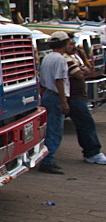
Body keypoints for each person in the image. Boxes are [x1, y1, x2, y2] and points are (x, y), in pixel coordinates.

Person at [64, 37, 106, 164]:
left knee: (84, 124)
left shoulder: (74, 57)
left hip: (78, 96)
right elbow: (79, 74)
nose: (74, 46)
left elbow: (87, 70)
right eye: (70, 44)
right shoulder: (65, 58)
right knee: (86, 124)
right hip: (74, 97)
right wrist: (82, 70)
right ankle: (92, 152)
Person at [38, 31, 70, 174]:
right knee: (55, 130)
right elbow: (59, 81)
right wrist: (64, 101)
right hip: (55, 96)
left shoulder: (47, 57)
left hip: (47, 95)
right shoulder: (60, 60)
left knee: (48, 128)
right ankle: (48, 161)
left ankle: (47, 158)